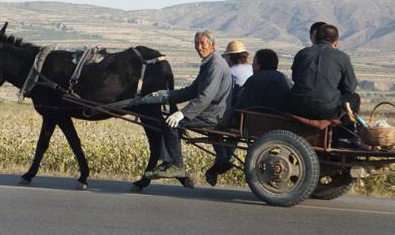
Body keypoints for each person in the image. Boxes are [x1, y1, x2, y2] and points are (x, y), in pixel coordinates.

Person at [141, 30, 232, 179]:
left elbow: (205, 96)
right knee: (171, 120)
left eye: (202, 43)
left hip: (213, 115)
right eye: (196, 43)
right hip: (212, 111)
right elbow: (192, 90)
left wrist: (182, 113)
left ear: (213, 45)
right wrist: (166, 95)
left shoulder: (215, 65)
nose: (199, 47)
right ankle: (169, 162)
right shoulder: (209, 62)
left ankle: (175, 165)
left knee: (171, 124)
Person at [205, 49, 292, 186]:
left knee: (215, 126)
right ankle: (221, 162)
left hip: (255, 122)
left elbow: (244, 105)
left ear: (258, 64)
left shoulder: (255, 80)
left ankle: (222, 159)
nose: (252, 65)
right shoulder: (283, 78)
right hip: (279, 122)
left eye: (254, 62)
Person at [287, 24, 364, 147]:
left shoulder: (302, 53)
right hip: (328, 111)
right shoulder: (342, 57)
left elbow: (295, 78)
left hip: (298, 107)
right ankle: (344, 137)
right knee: (354, 98)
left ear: (315, 37)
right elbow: (350, 88)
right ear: (336, 41)